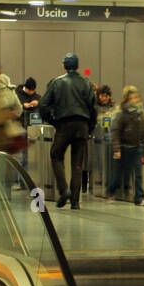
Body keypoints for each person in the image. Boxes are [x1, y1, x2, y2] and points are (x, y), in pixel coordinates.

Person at [40, 52, 96, 209]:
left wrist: (52, 121)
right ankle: (76, 202)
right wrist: (89, 128)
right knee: (77, 164)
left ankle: (64, 190)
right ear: (78, 66)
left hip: (64, 125)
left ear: (64, 66)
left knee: (56, 155)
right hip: (82, 125)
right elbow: (93, 108)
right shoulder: (86, 83)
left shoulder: (57, 83)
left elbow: (43, 105)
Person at [111, 86, 144, 206]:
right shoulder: (121, 113)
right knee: (121, 173)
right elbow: (116, 131)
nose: (134, 100)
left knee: (138, 173)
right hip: (125, 147)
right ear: (126, 99)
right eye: (131, 98)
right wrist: (116, 148)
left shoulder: (141, 113)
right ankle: (111, 190)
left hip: (139, 147)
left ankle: (139, 198)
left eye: (136, 97)